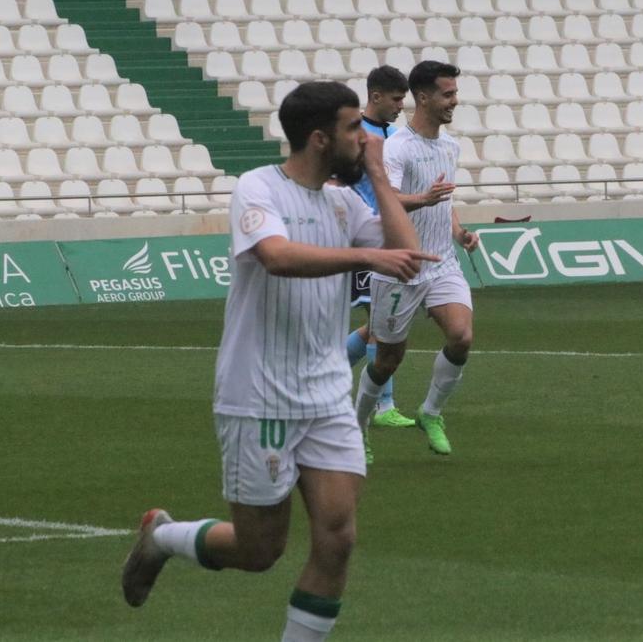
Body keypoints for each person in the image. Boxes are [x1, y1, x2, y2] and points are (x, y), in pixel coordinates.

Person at [121, 81, 437, 642]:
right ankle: (162, 537)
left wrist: (382, 180)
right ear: (319, 139)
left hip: (326, 396)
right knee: (259, 549)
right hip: (259, 394)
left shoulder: (343, 200)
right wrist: (366, 254)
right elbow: (276, 256)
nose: (363, 137)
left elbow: (405, 254)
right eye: (351, 128)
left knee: (337, 538)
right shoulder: (257, 187)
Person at [353, 60, 478, 457]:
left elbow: (445, 200)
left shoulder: (450, 146)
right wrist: (421, 200)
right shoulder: (397, 148)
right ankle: (356, 428)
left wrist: (458, 231)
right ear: (423, 97)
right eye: (448, 94)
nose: (454, 101)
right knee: (388, 359)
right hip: (401, 264)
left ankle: (431, 412)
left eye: (455, 93)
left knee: (461, 336)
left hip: (441, 261)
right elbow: (386, 198)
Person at [343, 66, 416, 455]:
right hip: (368, 238)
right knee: (381, 324)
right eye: (395, 99)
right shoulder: (356, 135)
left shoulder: (399, 137)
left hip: (393, 238)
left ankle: (328, 373)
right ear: (375, 97)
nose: (400, 106)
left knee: (376, 323)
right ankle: (383, 405)